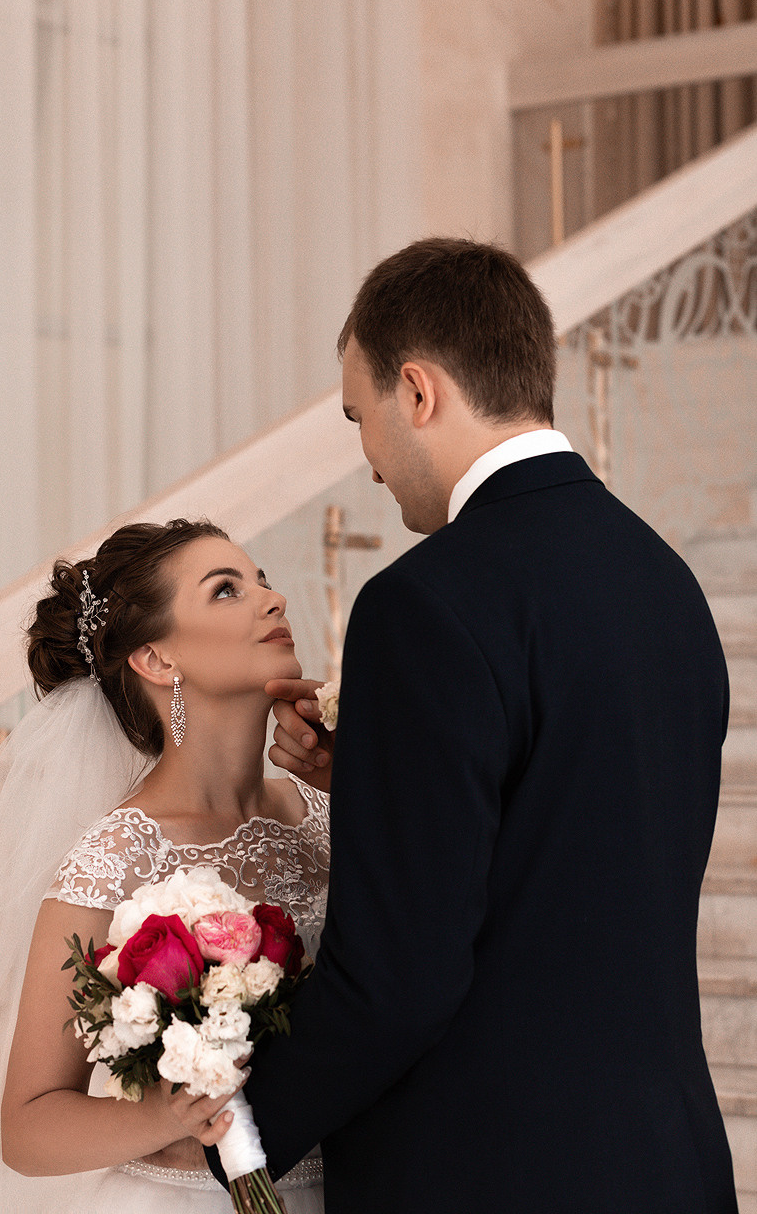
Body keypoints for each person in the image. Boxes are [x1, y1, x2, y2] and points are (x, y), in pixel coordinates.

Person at [209, 238, 738, 1212]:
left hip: (486, 1172)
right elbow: (574, 843)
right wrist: (368, 777)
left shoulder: (423, 603)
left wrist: (234, 1133)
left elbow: (397, 976)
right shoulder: (663, 582)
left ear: (417, 390)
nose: (364, 458)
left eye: (356, 416)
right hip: (666, 1164)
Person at [0, 518, 328, 1213]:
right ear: (157, 660)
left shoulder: (328, 810)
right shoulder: (117, 855)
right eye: (226, 591)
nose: (272, 600)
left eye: (263, 582)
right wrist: (165, 1115)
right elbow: (28, 1126)